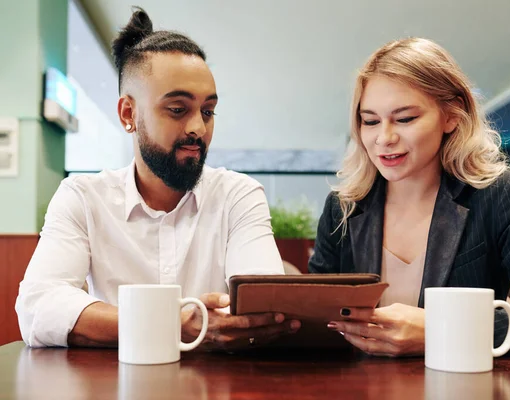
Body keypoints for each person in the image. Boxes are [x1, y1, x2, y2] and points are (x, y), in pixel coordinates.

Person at [16, 7, 299, 349]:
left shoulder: (237, 195)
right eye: (178, 109)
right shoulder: (82, 197)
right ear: (128, 113)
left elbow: (262, 306)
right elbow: (37, 307)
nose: (198, 127)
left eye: (208, 111)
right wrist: (170, 323)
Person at [309, 37, 510, 357]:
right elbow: (313, 322)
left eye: (405, 119)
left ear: (451, 115)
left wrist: (443, 329)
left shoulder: (499, 195)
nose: (384, 138)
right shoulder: (343, 208)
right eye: (371, 121)